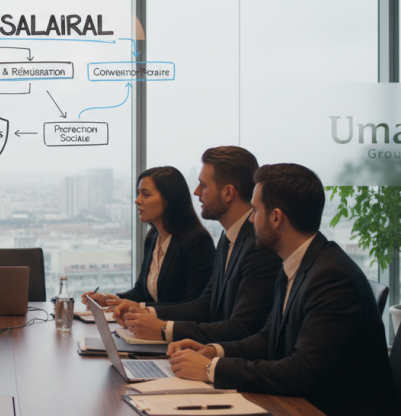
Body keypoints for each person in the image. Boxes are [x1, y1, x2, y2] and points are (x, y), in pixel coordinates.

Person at [167, 164, 398, 416]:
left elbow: (302, 373)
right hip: (304, 412)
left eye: (255, 211)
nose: (251, 219)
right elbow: (269, 338)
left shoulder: (332, 278)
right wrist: (213, 351)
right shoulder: (296, 262)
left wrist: (211, 369)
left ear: (276, 217)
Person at [117, 147, 282, 343]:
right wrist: (144, 311)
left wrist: (164, 329)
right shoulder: (228, 237)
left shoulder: (258, 246)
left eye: (202, 185)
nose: (196, 192)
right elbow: (206, 304)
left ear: (228, 192)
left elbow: (243, 327)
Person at [83, 166, 213, 309]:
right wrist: (108, 300)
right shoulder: (153, 237)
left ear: (168, 199)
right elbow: (141, 292)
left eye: (145, 194)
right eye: (139, 194)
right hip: (148, 329)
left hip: (178, 330)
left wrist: (142, 309)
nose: (137, 200)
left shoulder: (196, 241)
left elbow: (196, 306)